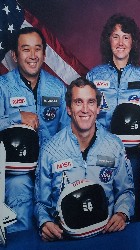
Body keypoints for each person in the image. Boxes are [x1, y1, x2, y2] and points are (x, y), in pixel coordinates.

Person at [34, 77, 134, 242]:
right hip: (65, 239)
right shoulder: (50, 150)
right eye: (78, 102)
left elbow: (126, 191)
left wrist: (122, 213)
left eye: (91, 102)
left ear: (98, 108)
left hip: (105, 236)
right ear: (68, 108)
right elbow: (40, 203)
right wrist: (44, 222)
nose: (85, 109)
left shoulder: (114, 146)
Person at [86, 14, 140, 219]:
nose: (120, 43)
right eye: (115, 36)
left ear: (133, 42)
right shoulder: (94, 77)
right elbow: (82, 114)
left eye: (126, 37)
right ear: (108, 40)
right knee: (102, 205)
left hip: (136, 154)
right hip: (102, 152)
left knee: (138, 205)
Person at [0, 27, 70, 233]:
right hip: (15, 172)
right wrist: (17, 117)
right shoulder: (3, 87)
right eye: (25, 49)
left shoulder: (57, 88)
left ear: (44, 54)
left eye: (37, 49)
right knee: (17, 188)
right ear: (14, 55)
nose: (32, 56)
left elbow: (68, 133)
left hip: (51, 170)